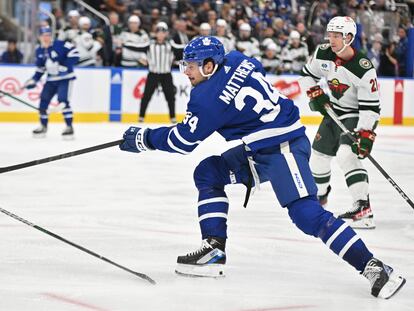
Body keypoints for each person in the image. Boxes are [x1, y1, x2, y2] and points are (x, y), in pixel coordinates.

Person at [119, 36, 405, 299]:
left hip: (284, 146)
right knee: (208, 172)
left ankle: (374, 267)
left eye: (191, 66)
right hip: (260, 147)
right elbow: (250, 80)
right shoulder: (239, 59)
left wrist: (145, 139)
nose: (186, 72)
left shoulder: (206, 99)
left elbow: (183, 140)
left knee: (306, 214)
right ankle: (214, 250)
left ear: (209, 66)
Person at [298, 16, 380, 229]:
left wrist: (365, 133)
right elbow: (307, 75)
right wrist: (314, 92)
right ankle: (320, 198)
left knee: (346, 154)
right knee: (318, 157)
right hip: (333, 113)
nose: (331, 39)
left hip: (356, 113)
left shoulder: (363, 68)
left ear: (349, 37)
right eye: (330, 34)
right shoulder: (323, 52)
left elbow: (371, 108)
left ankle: (363, 207)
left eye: (337, 36)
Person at [24, 26, 79, 139]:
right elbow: (40, 69)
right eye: (44, 35)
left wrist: (66, 66)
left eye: (48, 35)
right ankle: (43, 126)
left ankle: (69, 127)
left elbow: (75, 53)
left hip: (65, 78)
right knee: (43, 101)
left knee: (63, 101)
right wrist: (33, 80)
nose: (46, 38)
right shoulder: (39, 50)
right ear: (39, 37)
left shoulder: (59, 44)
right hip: (51, 79)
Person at [136, 22, 184, 123]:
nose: (161, 35)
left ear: (166, 33)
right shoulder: (150, 44)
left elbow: (181, 48)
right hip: (153, 74)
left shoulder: (170, 44)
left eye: (163, 32)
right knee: (146, 96)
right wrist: (124, 44)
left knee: (170, 97)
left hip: (166, 74)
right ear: (156, 33)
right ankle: (141, 117)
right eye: (159, 32)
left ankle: (172, 117)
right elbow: (136, 47)